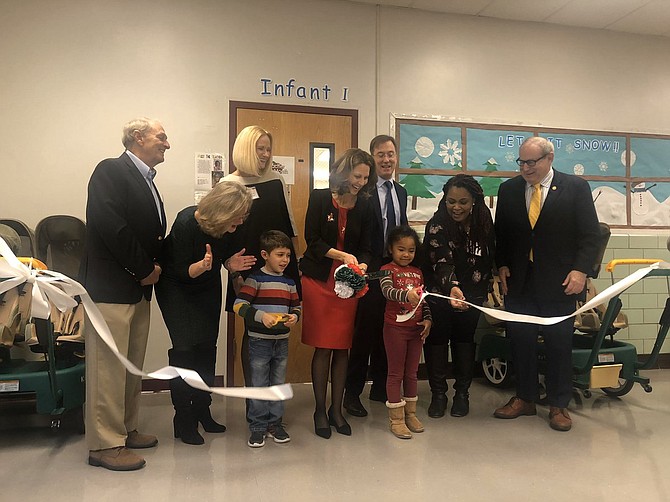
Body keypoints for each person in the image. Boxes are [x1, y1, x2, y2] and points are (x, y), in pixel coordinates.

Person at [493, 136, 600, 432]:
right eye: (521, 162)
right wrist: (501, 264)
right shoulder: (509, 189)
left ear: (549, 159)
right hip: (520, 282)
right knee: (522, 341)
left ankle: (558, 405)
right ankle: (525, 398)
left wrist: (581, 271)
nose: (525, 168)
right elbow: (502, 234)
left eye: (531, 162)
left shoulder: (575, 188)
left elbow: (590, 235)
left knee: (558, 344)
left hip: (560, 283)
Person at [82, 117, 169, 471]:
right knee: (108, 369)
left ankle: (126, 428)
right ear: (138, 137)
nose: (167, 143)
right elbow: (111, 227)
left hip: (136, 290)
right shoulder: (110, 171)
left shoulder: (147, 181)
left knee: (130, 366)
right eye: (161, 137)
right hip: (111, 288)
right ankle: (104, 445)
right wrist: (145, 269)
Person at [155, 181, 256, 445]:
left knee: (207, 348)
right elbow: (178, 270)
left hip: (207, 285)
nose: (239, 224)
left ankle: (202, 408)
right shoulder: (187, 222)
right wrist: (199, 267)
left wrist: (228, 265)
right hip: (176, 287)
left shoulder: (229, 228)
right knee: (185, 350)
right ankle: (183, 417)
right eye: (236, 218)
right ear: (222, 211)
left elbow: (224, 258)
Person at [300, 148, 376, 439]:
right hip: (320, 280)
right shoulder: (320, 197)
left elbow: (368, 246)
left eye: (365, 177)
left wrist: (362, 265)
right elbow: (313, 240)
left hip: (348, 284)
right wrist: (343, 256)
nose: (361, 182)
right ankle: (320, 410)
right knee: (323, 346)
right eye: (357, 175)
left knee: (343, 346)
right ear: (344, 172)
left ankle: (337, 410)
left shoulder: (366, 204)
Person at [221, 125, 300, 390]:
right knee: (252, 329)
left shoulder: (276, 182)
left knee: (279, 329)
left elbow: (290, 227)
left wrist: (294, 265)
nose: (266, 154)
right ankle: (254, 399)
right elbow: (220, 234)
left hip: (279, 268)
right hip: (246, 272)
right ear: (245, 149)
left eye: (268, 148)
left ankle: (273, 402)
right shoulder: (227, 185)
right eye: (260, 148)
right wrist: (232, 271)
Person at [344, 135, 408, 418]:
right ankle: (352, 394)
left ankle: (382, 388)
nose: (386, 160)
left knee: (389, 331)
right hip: (368, 270)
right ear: (372, 158)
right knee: (364, 335)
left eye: (391, 154)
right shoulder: (362, 192)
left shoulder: (400, 191)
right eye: (380, 154)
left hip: (392, 272)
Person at [422, 174, 496, 418]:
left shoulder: (484, 223)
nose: (456, 207)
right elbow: (440, 261)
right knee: (438, 340)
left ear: (474, 200)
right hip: (441, 293)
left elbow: (490, 257)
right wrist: (452, 287)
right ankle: (438, 394)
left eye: (462, 202)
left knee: (464, 340)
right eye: (451, 201)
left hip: (472, 294)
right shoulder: (436, 224)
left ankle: (462, 394)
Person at [233, 230, 301, 448]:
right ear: (265, 254)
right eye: (280, 255)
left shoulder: (289, 282)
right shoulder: (255, 280)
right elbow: (239, 306)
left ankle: (275, 423)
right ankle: (258, 426)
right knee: (259, 384)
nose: (285, 260)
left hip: (281, 342)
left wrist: (294, 317)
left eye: (288, 256)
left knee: (278, 384)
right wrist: (262, 317)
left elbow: (296, 307)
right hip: (259, 343)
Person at [380, 225, 431, 439]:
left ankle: (410, 414)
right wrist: (405, 295)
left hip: (416, 330)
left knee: (412, 373)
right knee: (396, 373)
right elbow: (387, 291)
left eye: (410, 250)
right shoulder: (386, 270)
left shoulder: (418, 273)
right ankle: (397, 419)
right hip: (395, 328)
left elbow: (423, 299)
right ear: (391, 249)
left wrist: (428, 319)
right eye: (401, 249)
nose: (406, 254)